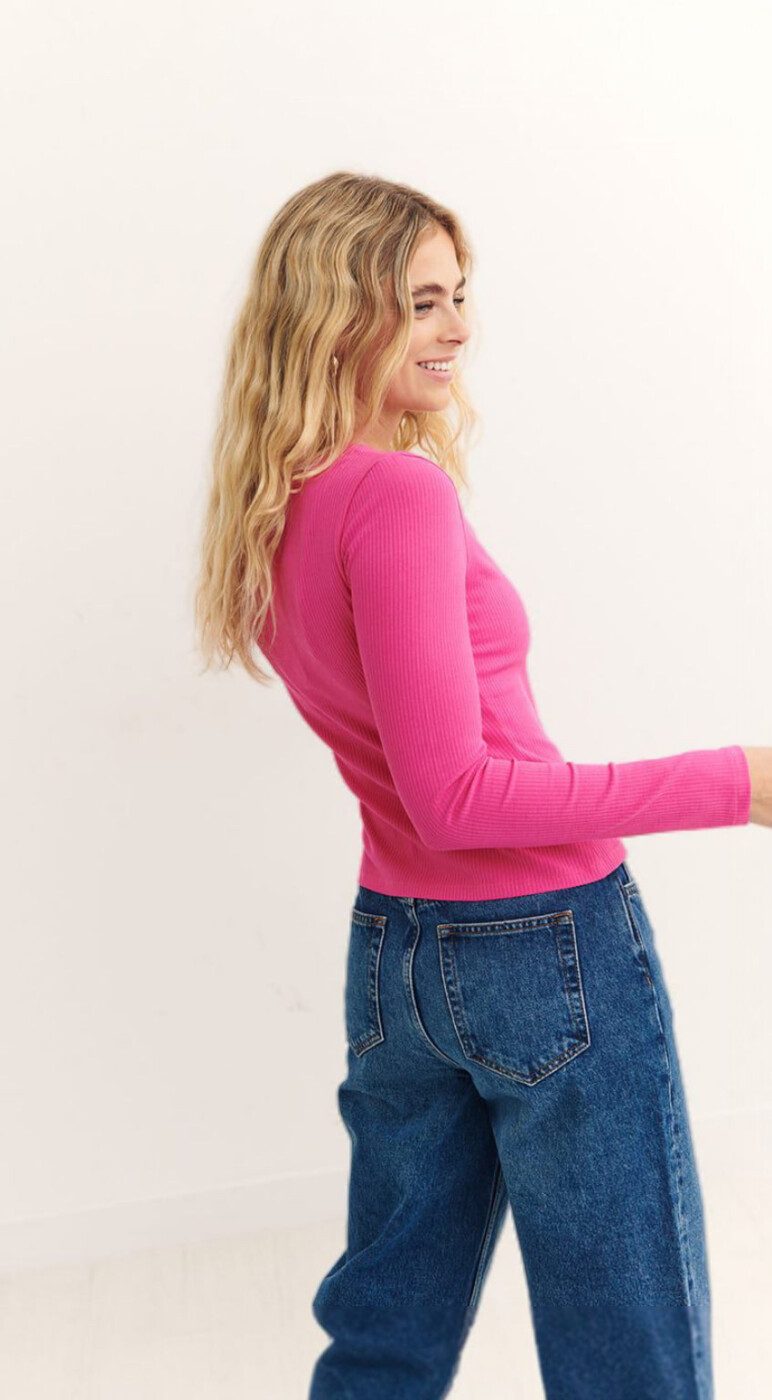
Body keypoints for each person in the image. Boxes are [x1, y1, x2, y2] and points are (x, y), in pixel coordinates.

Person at [194, 170, 772, 1399]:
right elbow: (456, 795)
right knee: (626, 1351)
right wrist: (739, 780)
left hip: (395, 956)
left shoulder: (282, 504)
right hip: (540, 946)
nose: (457, 327)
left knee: (385, 1334)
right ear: (336, 313)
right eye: (422, 301)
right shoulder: (393, 491)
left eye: (459, 295)